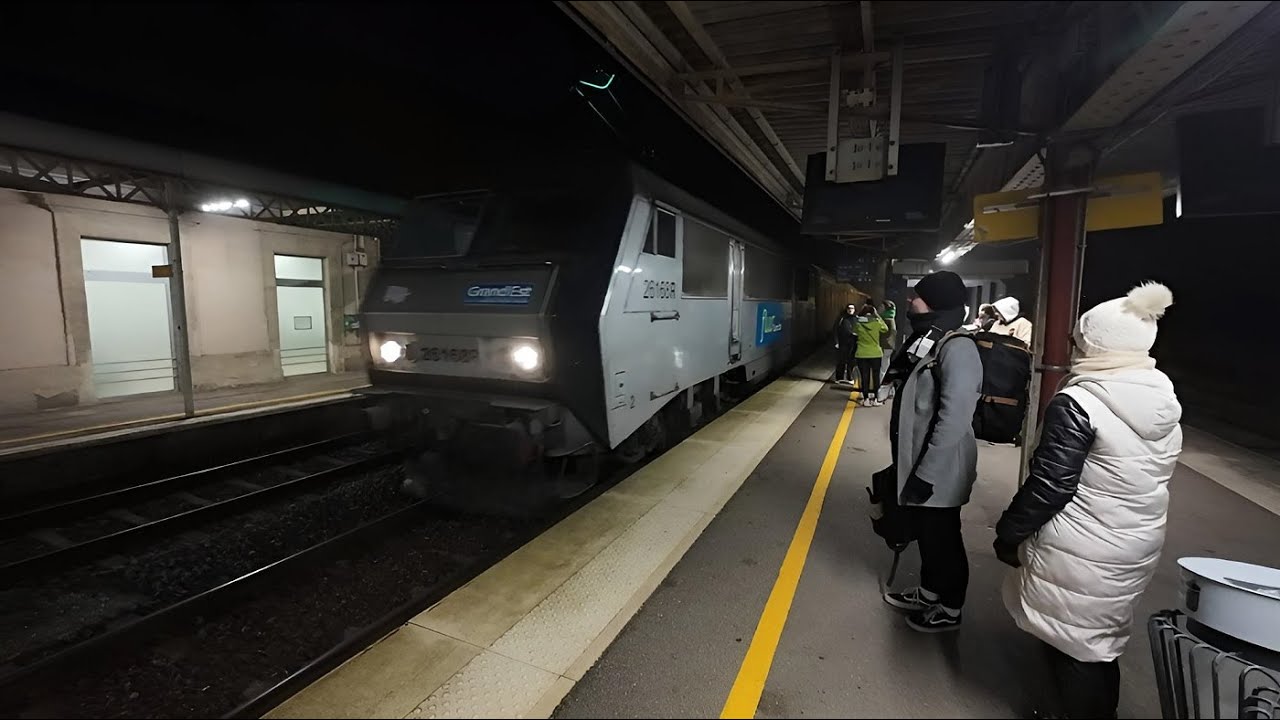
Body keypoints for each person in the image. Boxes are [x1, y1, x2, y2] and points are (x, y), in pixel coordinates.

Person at [994, 282, 1181, 719]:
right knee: (1097, 642)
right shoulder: (1160, 393)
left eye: (1078, 339)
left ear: (1094, 344)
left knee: (1075, 647)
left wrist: (1009, 533)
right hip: (1137, 539)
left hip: (1085, 543)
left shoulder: (1081, 400)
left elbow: (1050, 486)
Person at [880, 270, 983, 632]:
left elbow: (954, 419)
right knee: (927, 534)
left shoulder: (957, 348)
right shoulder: (929, 340)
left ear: (936, 302)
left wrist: (927, 474)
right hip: (919, 460)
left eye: (918, 296)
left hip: (940, 466)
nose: (911, 301)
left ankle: (950, 608)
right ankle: (928, 592)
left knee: (943, 538)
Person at [853, 302, 888, 406]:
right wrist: (878, 317)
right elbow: (885, 329)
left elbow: (854, 332)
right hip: (876, 353)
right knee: (876, 377)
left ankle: (866, 399)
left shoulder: (858, 323)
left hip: (862, 353)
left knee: (865, 376)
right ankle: (876, 399)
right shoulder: (877, 323)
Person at [832, 303, 859, 385]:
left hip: (853, 343)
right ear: (846, 309)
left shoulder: (857, 319)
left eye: (852, 308)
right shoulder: (842, 318)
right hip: (843, 342)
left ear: (854, 310)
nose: (850, 310)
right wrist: (836, 342)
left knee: (852, 361)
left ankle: (850, 377)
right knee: (841, 360)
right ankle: (839, 377)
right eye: (849, 308)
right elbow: (835, 330)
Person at [877, 300, 897, 402]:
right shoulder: (891, 318)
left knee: (882, 369)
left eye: (881, 307)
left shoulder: (886, 320)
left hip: (884, 347)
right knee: (885, 367)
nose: (879, 309)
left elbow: (887, 333)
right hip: (888, 347)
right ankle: (890, 390)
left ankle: (881, 389)